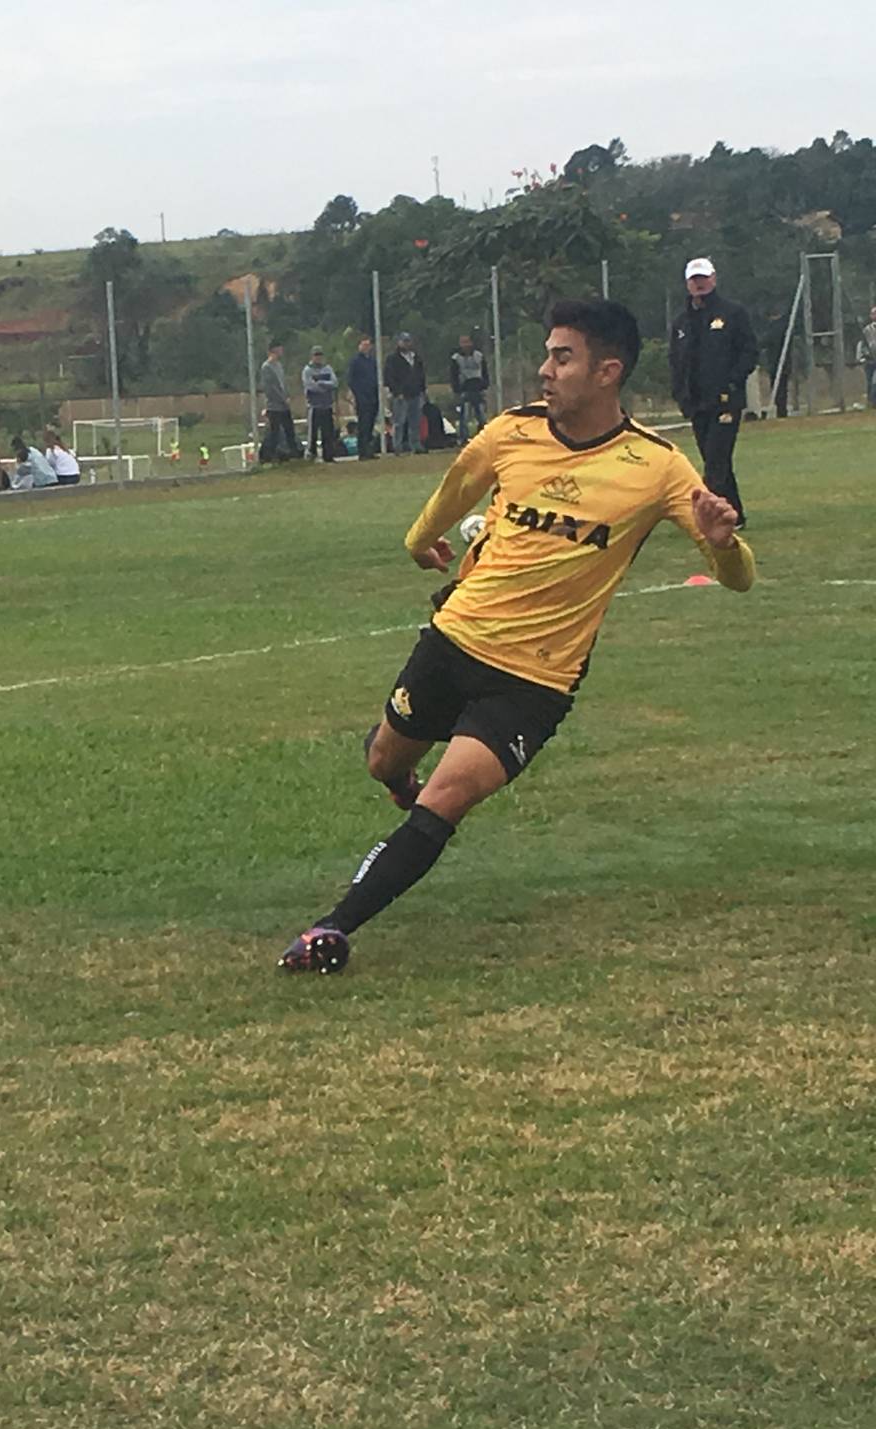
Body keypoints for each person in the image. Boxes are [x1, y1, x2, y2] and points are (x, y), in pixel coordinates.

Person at [278, 299, 755, 975]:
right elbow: (456, 488)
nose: (545, 370)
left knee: (445, 799)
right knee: (384, 763)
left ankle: (331, 928)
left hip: (535, 680)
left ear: (608, 372)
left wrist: (722, 545)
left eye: (563, 357)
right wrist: (419, 543)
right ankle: (394, 770)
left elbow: (736, 579)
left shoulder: (657, 467)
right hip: (453, 640)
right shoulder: (511, 433)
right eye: (548, 354)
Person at [667, 257, 757, 527]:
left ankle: (713, 518)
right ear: (687, 284)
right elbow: (675, 360)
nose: (700, 284)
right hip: (697, 404)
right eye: (695, 280)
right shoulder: (682, 322)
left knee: (716, 462)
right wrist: (680, 393)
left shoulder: (733, 313)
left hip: (725, 402)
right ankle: (735, 515)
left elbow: (749, 351)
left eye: (704, 278)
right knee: (714, 458)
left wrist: (732, 382)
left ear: (714, 279)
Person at [385, 332, 427, 454]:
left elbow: (421, 375)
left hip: (416, 393)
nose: (407, 344)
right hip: (401, 395)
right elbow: (389, 377)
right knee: (399, 422)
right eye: (404, 341)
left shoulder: (416, 358)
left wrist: (422, 390)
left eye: (408, 341)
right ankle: (397, 446)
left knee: (415, 422)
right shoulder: (392, 359)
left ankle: (415, 444)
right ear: (399, 342)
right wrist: (397, 392)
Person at [259, 341, 298, 462]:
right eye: (279, 349)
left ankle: (294, 453)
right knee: (274, 432)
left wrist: (288, 396)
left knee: (289, 429)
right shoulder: (266, 367)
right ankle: (267, 456)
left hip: (284, 406)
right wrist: (282, 398)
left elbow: (283, 384)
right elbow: (271, 388)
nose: (281, 351)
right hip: (274, 406)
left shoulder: (279, 366)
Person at [449, 334, 489, 443]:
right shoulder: (456, 358)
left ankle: (483, 437)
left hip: (478, 389)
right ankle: (463, 438)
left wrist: (485, 385)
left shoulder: (479, 356)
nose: (466, 345)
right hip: (464, 390)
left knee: (481, 415)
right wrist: (456, 389)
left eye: (467, 342)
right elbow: (453, 375)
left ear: (471, 343)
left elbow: (484, 372)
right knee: (464, 416)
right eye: (463, 342)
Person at [302, 345, 339, 462]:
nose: (318, 358)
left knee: (328, 432)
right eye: (316, 355)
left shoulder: (327, 368)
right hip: (314, 406)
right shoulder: (307, 370)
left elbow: (334, 383)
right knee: (312, 433)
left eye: (320, 355)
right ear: (312, 356)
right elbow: (310, 386)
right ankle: (311, 455)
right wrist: (324, 386)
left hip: (327, 405)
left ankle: (328, 455)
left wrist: (320, 382)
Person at [348, 335, 382, 460]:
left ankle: (369, 450)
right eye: (364, 345)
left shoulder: (373, 361)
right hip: (362, 399)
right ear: (359, 346)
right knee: (363, 425)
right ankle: (362, 451)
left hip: (373, 397)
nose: (366, 347)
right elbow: (352, 380)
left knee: (370, 425)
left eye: (368, 345)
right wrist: (358, 395)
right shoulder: (355, 361)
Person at [857, 305, 876, 410]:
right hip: (870, 360)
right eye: (873, 313)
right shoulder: (867, 330)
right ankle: (871, 403)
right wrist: (865, 355)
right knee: (869, 381)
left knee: (875, 382)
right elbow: (863, 344)